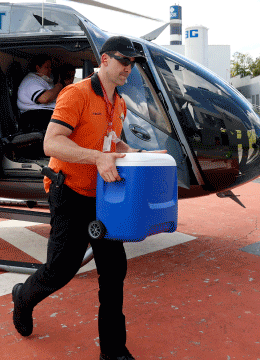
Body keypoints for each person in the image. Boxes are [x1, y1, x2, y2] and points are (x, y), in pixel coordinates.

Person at [12, 36, 159, 360]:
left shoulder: (117, 102)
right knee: (60, 271)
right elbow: (52, 143)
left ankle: (113, 352)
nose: (128, 69)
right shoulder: (75, 94)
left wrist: (134, 153)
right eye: (124, 61)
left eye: (133, 64)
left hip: (104, 198)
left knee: (113, 271)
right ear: (104, 60)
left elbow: (112, 141)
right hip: (71, 193)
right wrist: (96, 158)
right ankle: (23, 296)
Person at [17, 55, 71, 132]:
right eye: (47, 67)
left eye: (50, 67)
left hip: (46, 117)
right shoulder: (31, 81)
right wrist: (58, 87)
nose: (50, 70)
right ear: (37, 67)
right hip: (36, 120)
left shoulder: (45, 81)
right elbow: (44, 98)